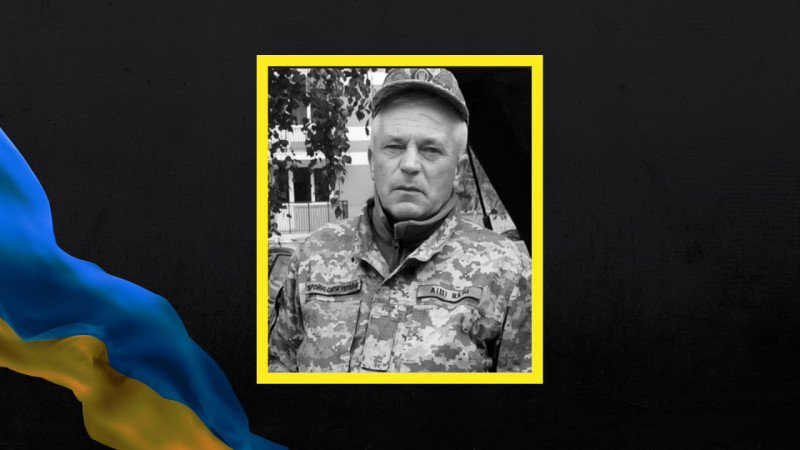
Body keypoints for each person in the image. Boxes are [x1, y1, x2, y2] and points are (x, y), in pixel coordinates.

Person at [268, 68, 531, 372]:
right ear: (372, 161)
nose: (409, 165)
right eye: (394, 147)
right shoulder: (312, 257)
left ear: (458, 171)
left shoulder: (508, 272)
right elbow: (278, 365)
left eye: (431, 150)